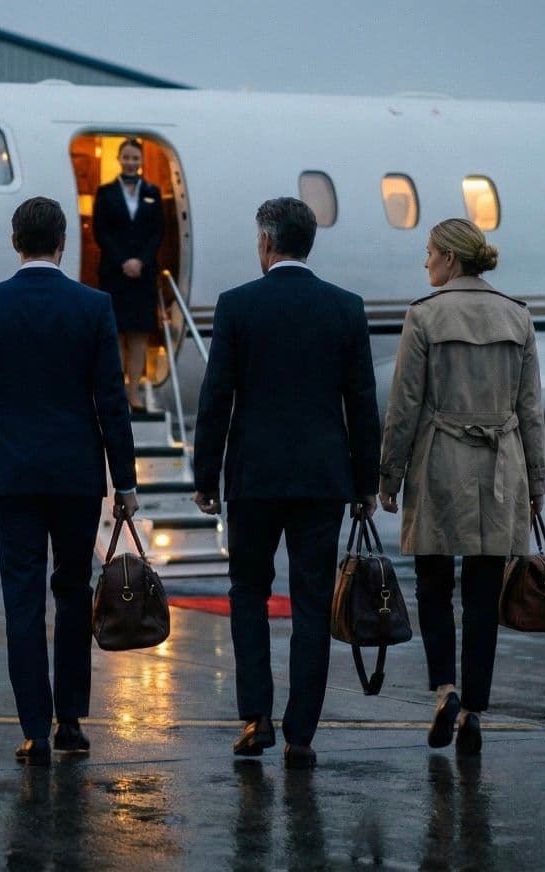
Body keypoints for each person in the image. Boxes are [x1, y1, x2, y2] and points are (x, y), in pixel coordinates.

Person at [0, 196, 140, 766]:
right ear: (62, 243)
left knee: (23, 600)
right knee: (74, 593)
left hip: (13, 475)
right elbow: (112, 400)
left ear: (15, 242)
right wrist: (124, 481)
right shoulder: (94, 306)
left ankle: (33, 728)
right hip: (77, 475)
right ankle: (71, 722)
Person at [192, 197, 381, 769]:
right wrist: (365, 483)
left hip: (253, 478)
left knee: (248, 593)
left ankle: (256, 717)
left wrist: (206, 477)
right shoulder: (345, 307)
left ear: (267, 243)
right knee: (311, 604)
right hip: (322, 480)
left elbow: (216, 398)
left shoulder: (237, 305)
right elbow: (362, 404)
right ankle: (301, 735)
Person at [377, 217, 545, 755]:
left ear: (450, 259)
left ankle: (444, 690)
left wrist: (389, 474)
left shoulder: (424, 315)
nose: (425, 261)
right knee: (482, 592)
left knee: (433, 585)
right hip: (501, 465)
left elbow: (404, 405)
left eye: (429, 251)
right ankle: (474, 710)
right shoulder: (517, 315)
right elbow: (530, 408)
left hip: (439, 461)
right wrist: (536, 480)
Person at [92, 137, 166, 411]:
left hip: (142, 275)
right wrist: (123, 260)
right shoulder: (105, 193)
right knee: (114, 336)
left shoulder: (153, 192)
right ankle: (117, 392)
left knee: (138, 336)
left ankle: (133, 392)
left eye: (136, 158)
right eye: (127, 157)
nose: (131, 162)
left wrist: (141, 261)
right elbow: (101, 231)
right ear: (119, 159)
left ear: (141, 160)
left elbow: (157, 232)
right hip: (115, 273)